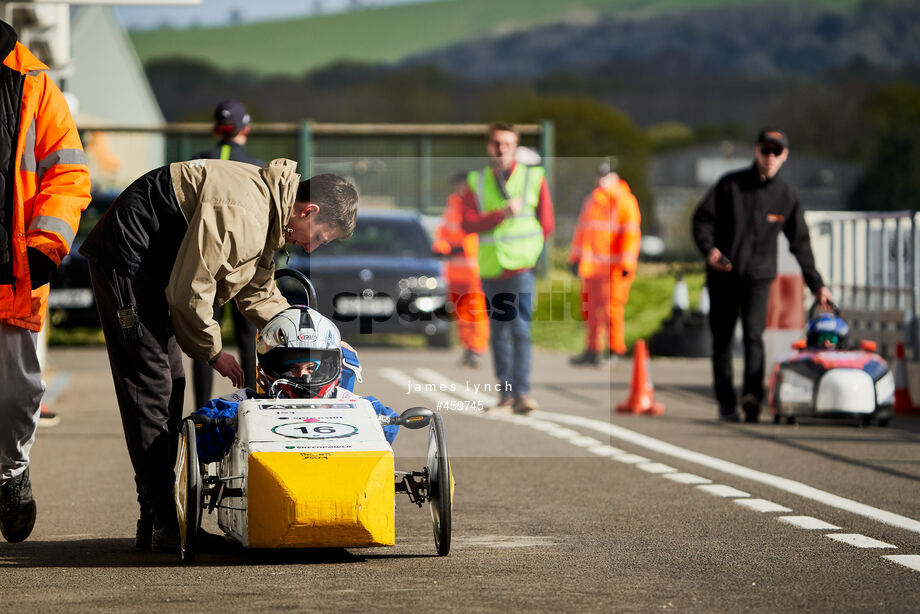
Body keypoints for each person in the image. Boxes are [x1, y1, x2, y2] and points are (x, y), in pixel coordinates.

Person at [79, 161, 357, 552]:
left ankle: (156, 517)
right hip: (128, 261)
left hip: (156, 269)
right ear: (308, 211)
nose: (311, 247)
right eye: (320, 238)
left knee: (169, 385)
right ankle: (165, 523)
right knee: (152, 386)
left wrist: (316, 341)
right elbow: (188, 295)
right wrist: (213, 354)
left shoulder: (269, 215)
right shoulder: (244, 213)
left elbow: (258, 292)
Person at [0, 20, 91, 543]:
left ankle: (11, 472)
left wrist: (45, 247)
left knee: (15, 393)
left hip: (14, 268)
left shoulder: (35, 85)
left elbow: (70, 174)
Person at [692, 128, 833, 423]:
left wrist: (817, 285)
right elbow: (701, 220)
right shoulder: (730, 185)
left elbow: (801, 245)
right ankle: (727, 404)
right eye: (765, 150)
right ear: (755, 151)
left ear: (784, 156)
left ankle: (752, 396)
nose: (770, 157)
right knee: (723, 339)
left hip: (758, 278)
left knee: (754, 336)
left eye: (776, 152)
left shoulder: (786, 196)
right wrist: (710, 251)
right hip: (723, 275)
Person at [193, 306, 399, 464]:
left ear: (331, 365)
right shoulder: (249, 403)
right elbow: (198, 428)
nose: (303, 377)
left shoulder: (346, 400)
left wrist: (377, 420)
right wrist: (232, 423)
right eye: (293, 368)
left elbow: (389, 421)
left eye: (311, 368)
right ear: (269, 366)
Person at [460, 122, 555, 414]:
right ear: (489, 147)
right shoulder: (476, 181)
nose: (502, 149)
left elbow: (547, 223)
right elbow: (467, 223)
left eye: (508, 144)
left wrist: (531, 252)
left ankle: (522, 393)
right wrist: (500, 214)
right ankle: (506, 394)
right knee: (499, 332)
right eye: (497, 144)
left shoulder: (533, 177)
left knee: (521, 329)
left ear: (515, 147)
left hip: (521, 268)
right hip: (492, 268)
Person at [190, 100, 266, 411]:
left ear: (214, 129)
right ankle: (250, 408)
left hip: (204, 263)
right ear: (245, 129)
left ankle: (199, 412)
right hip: (244, 263)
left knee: (202, 340)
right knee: (249, 340)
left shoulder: (197, 162)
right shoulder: (256, 165)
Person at [568, 158, 641, 366]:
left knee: (612, 311)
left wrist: (627, 263)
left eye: (606, 175)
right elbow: (582, 231)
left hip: (614, 269)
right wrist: (575, 259)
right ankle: (592, 350)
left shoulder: (624, 201)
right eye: (599, 175)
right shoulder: (591, 200)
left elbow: (631, 234)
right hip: (591, 268)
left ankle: (614, 350)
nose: (602, 180)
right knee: (590, 311)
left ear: (615, 177)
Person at [431, 172, 489, 368]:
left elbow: (476, 234)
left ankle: (477, 348)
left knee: (476, 312)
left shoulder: (476, 204)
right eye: (458, 186)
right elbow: (443, 233)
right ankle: (467, 348)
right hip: (455, 271)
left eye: (464, 186)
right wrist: (441, 248)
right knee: (461, 313)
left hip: (473, 270)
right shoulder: (452, 205)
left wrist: (460, 248)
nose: (460, 189)